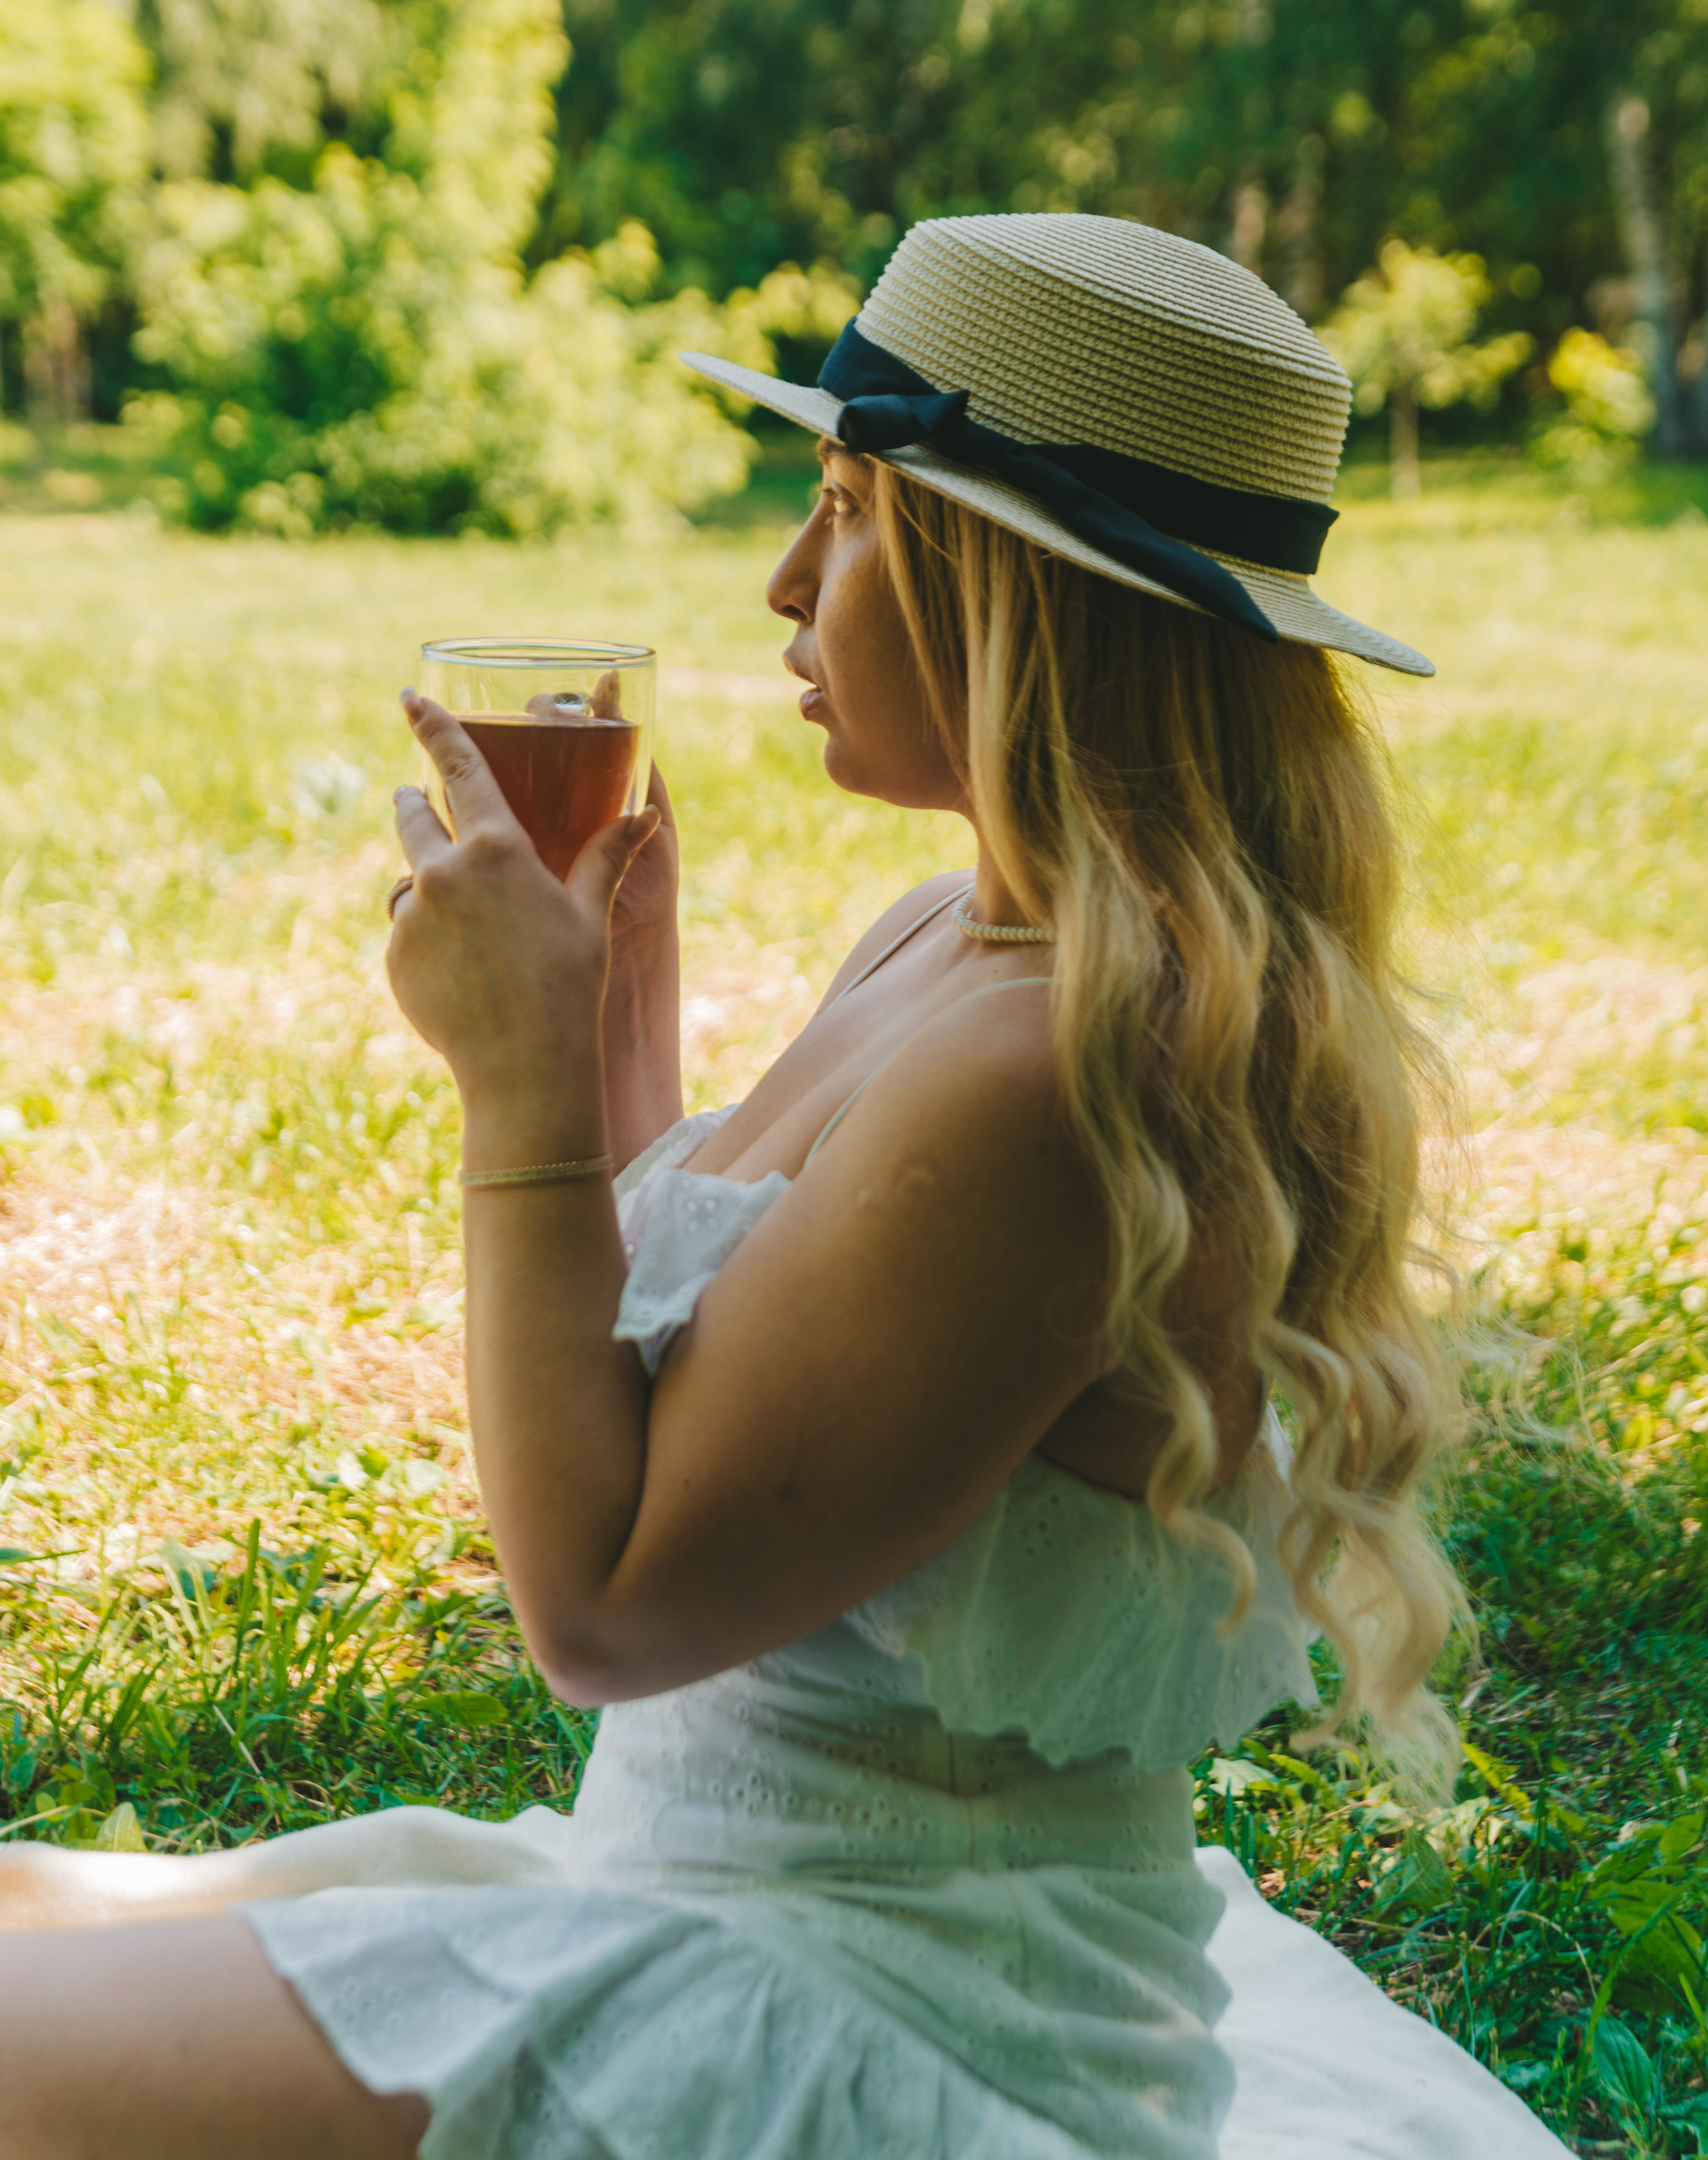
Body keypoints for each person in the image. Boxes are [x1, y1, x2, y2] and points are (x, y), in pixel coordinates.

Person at [0, 214, 1568, 2159]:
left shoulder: (1051, 1073)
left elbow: (606, 1608)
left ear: (1012, 591)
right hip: (698, 1886)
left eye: (848, 510)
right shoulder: (951, 938)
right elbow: (734, 1391)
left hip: (858, 1999)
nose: (785, 581)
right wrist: (615, 1043)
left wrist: (518, 1096)